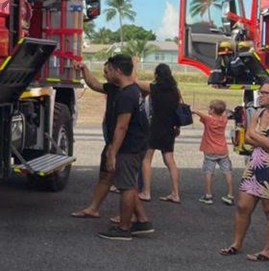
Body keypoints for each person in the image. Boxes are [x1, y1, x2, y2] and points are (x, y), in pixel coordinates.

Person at [71, 55, 154, 239]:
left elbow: (122, 126)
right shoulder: (131, 90)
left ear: (117, 70)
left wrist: (112, 153)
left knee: (126, 187)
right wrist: (84, 69)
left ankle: (124, 229)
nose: (105, 74)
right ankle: (142, 221)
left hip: (128, 146)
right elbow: (94, 84)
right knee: (129, 182)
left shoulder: (126, 94)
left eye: (108, 71)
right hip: (136, 144)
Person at [221, 84, 269, 261]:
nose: (261, 95)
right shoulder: (259, 113)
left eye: (265, 93)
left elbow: (252, 136)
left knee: (268, 210)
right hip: (255, 165)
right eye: (261, 92)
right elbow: (247, 136)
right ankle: (236, 243)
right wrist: (259, 138)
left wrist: (255, 136)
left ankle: (267, 250)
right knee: (243, 206)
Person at [138, 63, 183, 203]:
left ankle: (146, 192)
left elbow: (134, 82)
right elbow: (180, 108)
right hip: (170, 128)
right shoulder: (176, 91)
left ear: (157, 74)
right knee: (170, 161)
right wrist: (178, 127)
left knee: (146, 159)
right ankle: (175, 193)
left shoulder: (154, 88)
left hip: (155, 126)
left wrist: (134, 65)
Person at [192, 100, 234, 206]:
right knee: (227, 172)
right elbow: (223, 112)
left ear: (213, 110)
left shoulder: (209, 120)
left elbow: (202, 115)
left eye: (210, 108)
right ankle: (230, 195)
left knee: (208, 172)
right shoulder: (224, 119)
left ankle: (208, 195)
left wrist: (193, 110)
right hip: (222, 150)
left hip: (210, 151)